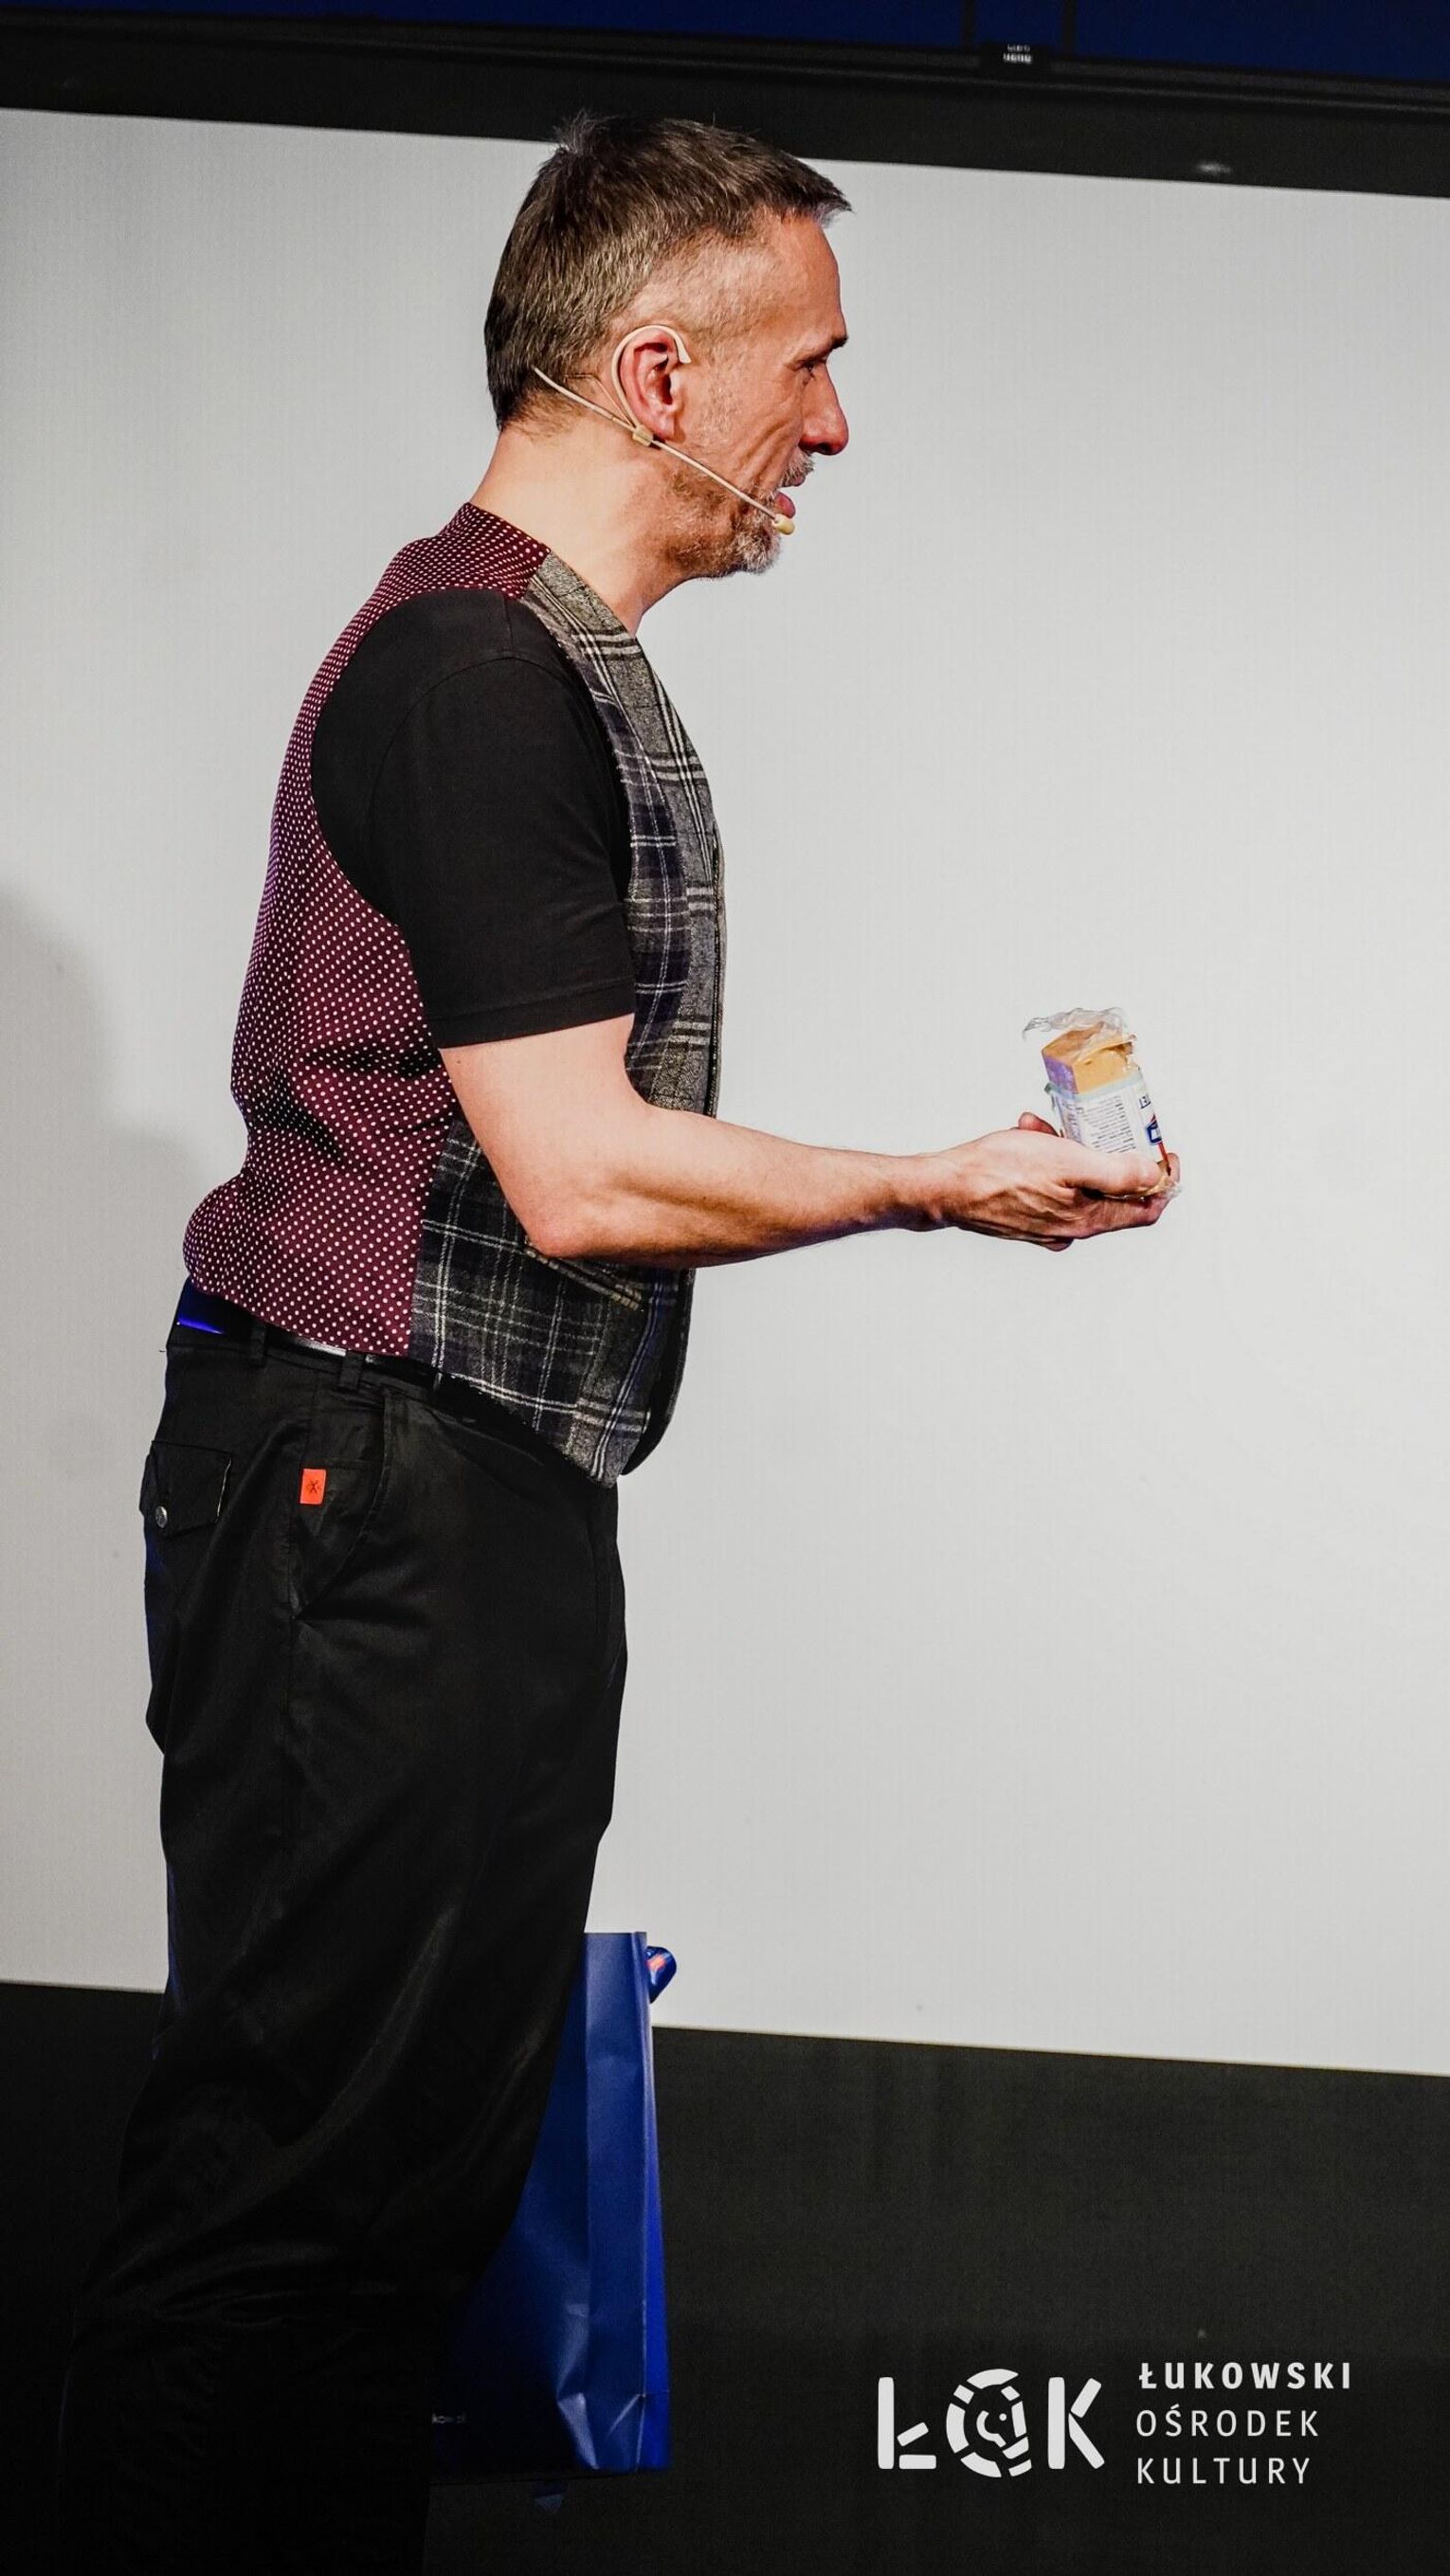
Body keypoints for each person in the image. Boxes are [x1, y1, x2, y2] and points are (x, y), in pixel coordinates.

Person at [55, 109, 1178, 2575]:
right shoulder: (474, 669)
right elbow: (575, 1173)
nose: (835, 426)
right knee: (291, 2198)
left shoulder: (529, 658)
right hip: (367, 1476)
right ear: (657, 371)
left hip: (448, 1491)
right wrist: (930, 1178)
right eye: (810, 366)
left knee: (394, 2213)